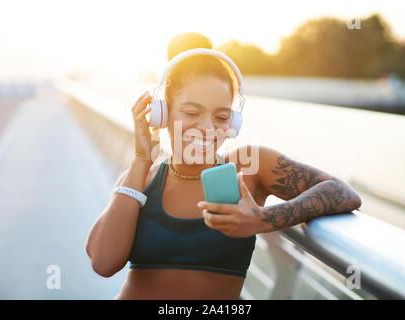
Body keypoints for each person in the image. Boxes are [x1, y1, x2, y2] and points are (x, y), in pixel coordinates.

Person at [85, 32, 362, 300]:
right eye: (192, 112)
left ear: (234, 122)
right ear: (163, 113)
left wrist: (263, 220)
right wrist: (140, 160)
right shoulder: (142, 179)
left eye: (221, 116)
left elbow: (343, 193)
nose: (207, 128)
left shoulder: (248, 167)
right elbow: (103, 262)